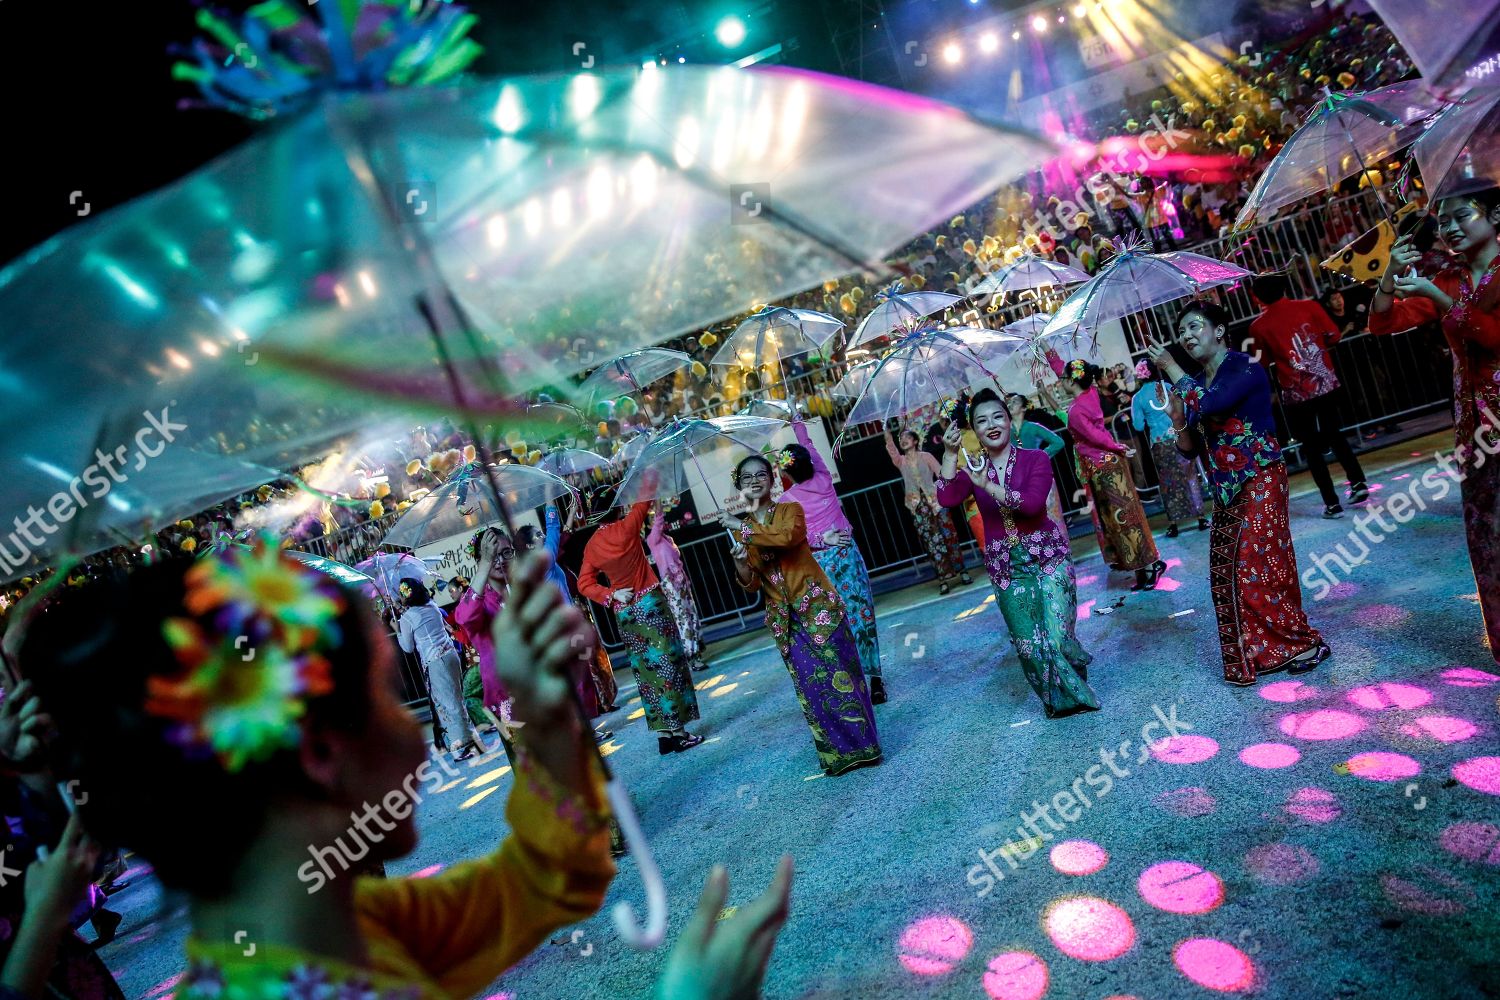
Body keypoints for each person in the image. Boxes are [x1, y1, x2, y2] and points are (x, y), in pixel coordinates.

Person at [23, 545, 794, 1000]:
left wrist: (540, 705)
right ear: (324, 754)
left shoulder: (339, 927)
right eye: (393, 695)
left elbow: (542, 883)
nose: (417, 732)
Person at [1147, 302, 1330, 686]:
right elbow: (1188, 449)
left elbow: (1214, 404)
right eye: (1182, 332)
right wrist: (1178, 420)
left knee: (1261, 561)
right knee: (1229, 574)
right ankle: (1264, 652)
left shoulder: (1244, 367)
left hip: (1260, 477)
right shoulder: (1197, 381)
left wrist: (1170, 366)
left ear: (1219, 330)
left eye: (1194, 326)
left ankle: (1304, 643)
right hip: (1227, 489)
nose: (1187, 336)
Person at [1371, 185, 1500, 666]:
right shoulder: (1448, 279)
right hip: (1475, 431)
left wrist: (1437, 299)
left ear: (1495, 216)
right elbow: (1382, 325)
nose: (1447, 228)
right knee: (1487, 536)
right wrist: (1388, 275)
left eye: (1460, 215)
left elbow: (1493, 338)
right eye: (1441, 221)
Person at [937, 391, 1099, 718]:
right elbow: (947, 498)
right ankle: (1061, 701)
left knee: (1057, 638)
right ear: (974, 431)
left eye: (997, 416)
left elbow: (1032, 504)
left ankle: (1074, 665)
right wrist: (950, 455)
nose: (991, 425)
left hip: (1047, 558)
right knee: (1030, 645)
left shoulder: (1034, 459)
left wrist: (990, 486)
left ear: (1009, 420)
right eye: (981, 421)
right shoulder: (973, 468)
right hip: (1006, 566)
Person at [729, 455, 882, 776]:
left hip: (818, 609)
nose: (754, 481)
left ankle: (866, 746)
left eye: (760, 475)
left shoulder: (789, 510)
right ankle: (836, 756)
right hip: (785, 621)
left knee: (844, 675)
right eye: (746, 478)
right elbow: (751, 583)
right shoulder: (743, 530)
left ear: (772, 480)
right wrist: (742, 562)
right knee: (812, 686)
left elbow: (787, 538)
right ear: (739, 485)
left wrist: (743, 527)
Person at [578, 499, 703, 755]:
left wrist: (611, 594)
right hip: (650, 603)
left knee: (646, 673)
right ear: (617, 508)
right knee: (669, 666)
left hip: (625, 612)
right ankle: (679, 733)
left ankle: (664, 735)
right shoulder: (628, 526)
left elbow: (584, 584)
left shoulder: (591, 546)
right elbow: (645, 495)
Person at [776, 413, 886, 703]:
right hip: (847, 555)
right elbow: (809, 444)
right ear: (810, 464)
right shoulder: (824, 478)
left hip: (821, 564)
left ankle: (852, 679)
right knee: (862, 613)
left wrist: (819, 540)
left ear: (785, 475)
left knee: (836, 621)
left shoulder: (786, 502)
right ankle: (875, 679)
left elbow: (794, 539)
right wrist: (796, 421)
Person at [1247, 271, 1369, 517]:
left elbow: (1261, 363)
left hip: (1296, 394)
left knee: (1311, 448)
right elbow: (1333, 336)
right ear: (1283, 288)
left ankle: (1332, 503)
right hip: (1326, 384)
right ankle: (1357, 482)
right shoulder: (1309, 306)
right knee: (1335, 435)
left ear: (1259, 297)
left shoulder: (1258, 326)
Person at [1051, 355, 1165, 590]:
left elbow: (1095, 437)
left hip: (1105, 468)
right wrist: (1048, 353)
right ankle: (1142, 568)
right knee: (1123, 519)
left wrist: (1116, 446)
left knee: (1124, 520)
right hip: (1105, 466)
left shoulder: (1076, 410)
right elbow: (1065, 370)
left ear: (1072, 381)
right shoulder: (1090, 393)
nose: (1060, 381)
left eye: (1063, 378)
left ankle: (1150, 565)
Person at [396, 579, 487, 761]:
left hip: (435, 661)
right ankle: (469, 741)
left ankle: (466, 746)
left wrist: (396, 629)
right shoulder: (431, 605)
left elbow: (407, 647)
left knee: (449, 703)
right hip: (450, 655)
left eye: (402, 593)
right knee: (456, 699)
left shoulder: (408, 617)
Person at [884, 426, 972, 595]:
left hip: (936, 501)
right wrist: (887, 433)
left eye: (907, 437)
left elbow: (941, 474)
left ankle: (963, 571)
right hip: (918, 506)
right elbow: (891, 448)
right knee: (931, 542)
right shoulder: (900, 461)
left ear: (915, 441)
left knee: (949, 535)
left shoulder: (926, 456)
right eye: (901, 438)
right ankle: (942, 578)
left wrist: (946, 491)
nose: (903, 440)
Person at [1131, 360, 1208, 537]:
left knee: (1167, 483)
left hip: (1159, 443)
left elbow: (1138, 426)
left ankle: (1173, 523)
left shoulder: (1138, 397)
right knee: (1190, 476)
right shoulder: (1166, 386)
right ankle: (1201, 517)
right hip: (1180, 436)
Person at [646, 507, 708, 673]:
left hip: (680, 581)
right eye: (652, 519)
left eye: (656, 518)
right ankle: (690, 656)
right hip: (671, 584)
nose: (657, 521)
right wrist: (657, 505)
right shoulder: (652, 539)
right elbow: (659, 521)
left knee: (691, 615)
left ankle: (695, 652)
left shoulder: (666, 538)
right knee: (683, 619)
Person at [1006, 392, 1069, 532]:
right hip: (1019, 481)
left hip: (1040, 477)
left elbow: (1058, 442)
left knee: (1051, 516)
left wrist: (1041, 457)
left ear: (1023, 408)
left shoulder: (1033, 427)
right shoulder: (1006, 432)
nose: (1010, 404)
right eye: (1009, 402)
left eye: (1015, 402)